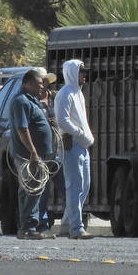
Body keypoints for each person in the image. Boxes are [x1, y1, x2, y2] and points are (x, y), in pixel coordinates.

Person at [9, 69, 56, 240]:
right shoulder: (21, 101)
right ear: (27, 83)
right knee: (32, 189)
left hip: (37, 155)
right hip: (28, 156)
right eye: (38, 84)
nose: (41, 87)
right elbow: (22, 129)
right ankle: (28, 228)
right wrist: (33, 153)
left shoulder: (31, 101)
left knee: (34, 190)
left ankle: (32, 226)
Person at [54, 59, 95, 239]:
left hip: (82, 144)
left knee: (84, 185)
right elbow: (62, 120)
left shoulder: (78, 93)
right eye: (81, 72)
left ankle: (66, 223)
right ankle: (76, 228)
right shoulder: (65, 94)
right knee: (74, 185)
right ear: (72, 73)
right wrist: (79, 132)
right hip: (71, 143)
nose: (84, 75)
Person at [32, 68, 61, 235]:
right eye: (41, 83)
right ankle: (41, 223)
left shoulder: (54, 98)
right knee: (42, 189)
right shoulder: (32, 103)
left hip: (56, 150)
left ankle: (71, 221)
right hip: (41, 150)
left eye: (46, 83)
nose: (44, 86)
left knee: (66, 186)